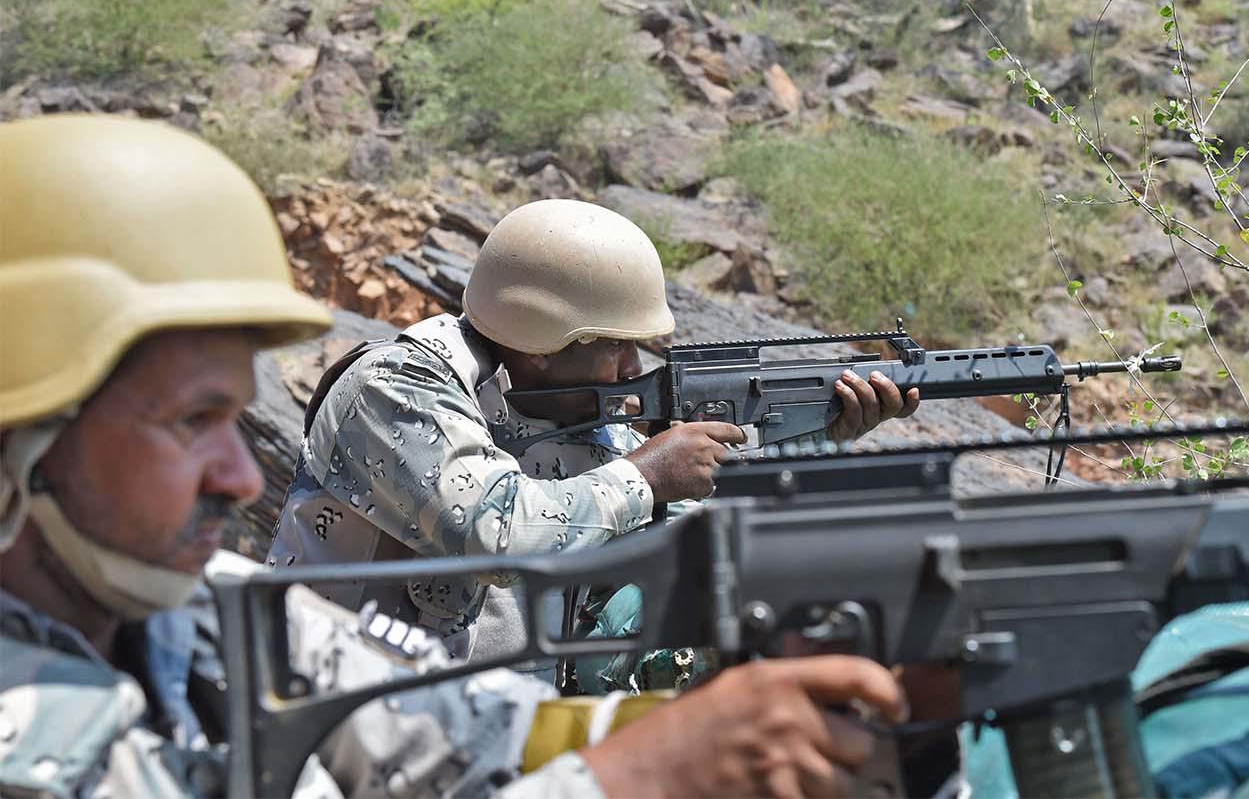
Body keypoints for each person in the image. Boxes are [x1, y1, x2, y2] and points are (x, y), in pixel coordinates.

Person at [0, 114, 910, 798]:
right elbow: (511, 522)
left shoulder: (197, 620)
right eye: (187, 422)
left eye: (236, 421)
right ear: (22, 435)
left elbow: (444, 726)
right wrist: (644, 767)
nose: (242, 478)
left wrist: (765, 727)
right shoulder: (32, 733)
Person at [267, 197, 921, 687]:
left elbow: (692, 510)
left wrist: (811, 434)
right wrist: (646, 477)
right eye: (616, 345)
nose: (633, 369)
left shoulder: (578, 416)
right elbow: (503, 533)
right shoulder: (395, 388)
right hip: (337, 720)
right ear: (548, 347)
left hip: (481, 734)